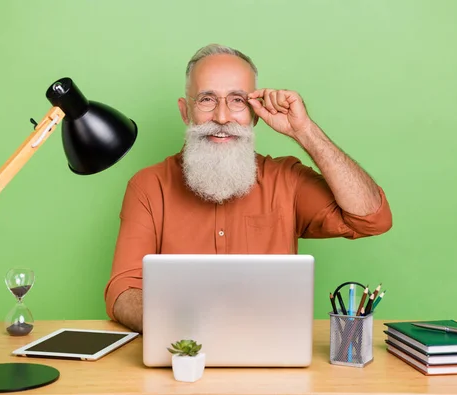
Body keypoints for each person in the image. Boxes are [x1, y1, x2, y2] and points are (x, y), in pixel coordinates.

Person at [104, 44, 393, 333]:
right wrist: (186, 327)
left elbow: (371, 218)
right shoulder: (149, 186)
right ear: (185, 110)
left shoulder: (286, 179)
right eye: (206, 99)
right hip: (184, 353)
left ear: (255, 113)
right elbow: (122, 291)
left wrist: (303, 131)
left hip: (272, 355)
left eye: (237, 101)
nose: (221, 117)